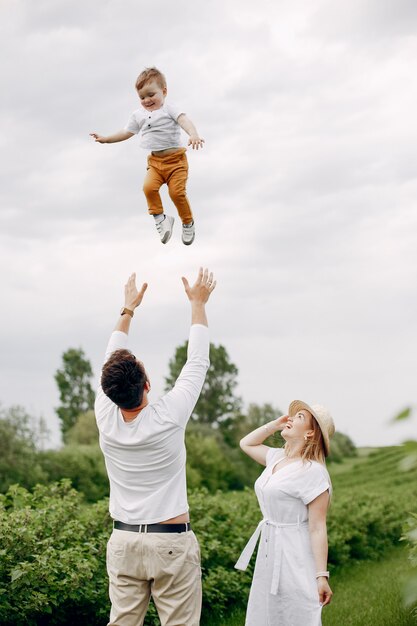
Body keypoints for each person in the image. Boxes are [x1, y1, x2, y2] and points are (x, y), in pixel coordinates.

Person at [94, 267, 216, 626]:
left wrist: (127, 309)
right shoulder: (169, 416)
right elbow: (197, 362)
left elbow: (109, 357)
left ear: (110, 393)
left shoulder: (105, 415)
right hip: (170, 542)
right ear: (147, 383)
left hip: (123, 542)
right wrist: (198, 303)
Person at [235, 401, 335, 626]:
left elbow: (317, 527)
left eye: (299, 417)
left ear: (310, 432)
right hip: (269, 548)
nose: (290, 418)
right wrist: (274, 425)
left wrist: (322, 576)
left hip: (295, 552)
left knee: (296, 611)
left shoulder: (314, 472)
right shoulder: (276, 457)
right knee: (268, 612)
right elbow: (246, 443)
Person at [90, 67, 204, 246]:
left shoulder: (169, 109)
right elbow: (126, 132)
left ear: (164, 91)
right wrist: (106, 140)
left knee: (176, 193)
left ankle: (187, 222)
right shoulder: (138, 115)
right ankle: (161, 219)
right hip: (155, 163)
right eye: (142, 97)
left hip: (176, 162)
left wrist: (193, 134)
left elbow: (184, 121)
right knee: (148, 188)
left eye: (151, 94)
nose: (147, 100)